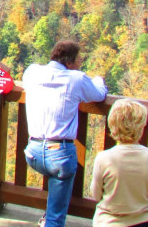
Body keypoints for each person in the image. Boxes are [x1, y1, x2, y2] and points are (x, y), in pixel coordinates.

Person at [22, 40, 107, 227]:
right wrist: (99, 80)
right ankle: (50, 218)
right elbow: (99, 95)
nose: (79, 65)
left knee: (55, 180)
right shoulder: (76, 78)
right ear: (69, 63)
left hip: (33, 153)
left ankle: (48, 215)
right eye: (78, 61)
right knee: (56, 218)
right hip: (59, 156)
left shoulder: (32, 71)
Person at [90, 99, 148, 227]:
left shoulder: (104, 158)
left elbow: (96, 195)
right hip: (145, 222)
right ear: (141, 126)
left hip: (109, 222)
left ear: (112, 125)